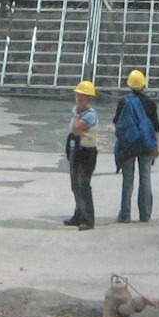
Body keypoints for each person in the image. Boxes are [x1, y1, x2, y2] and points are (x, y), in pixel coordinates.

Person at [112, 69, 159, 223]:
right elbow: (156, 128)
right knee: (145, 177)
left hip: (129, 145)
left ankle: (125, 214)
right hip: (146, 144)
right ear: (144, 85)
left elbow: (117, 123)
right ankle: (145, 215)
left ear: (129, 85)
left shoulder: (123, 102)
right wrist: (156, 147)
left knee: (128, 179)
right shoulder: (151, 104)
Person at [63, 80, 100, 230]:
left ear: (88, 98)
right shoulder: (76, 111)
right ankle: (78, 215)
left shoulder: (90, 115)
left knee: (83, 184)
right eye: (77, 96)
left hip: (86, 152)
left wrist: (77, 115)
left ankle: (88, 219)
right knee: (75, 185)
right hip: (75, 150)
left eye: (81, 96)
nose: (78, 99)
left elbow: (76, 128)